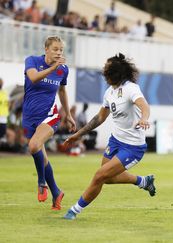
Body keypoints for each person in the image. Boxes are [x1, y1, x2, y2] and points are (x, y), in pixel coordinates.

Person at [63, 53, 156, 220]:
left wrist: (144, 118)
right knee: (108, 178)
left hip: (133, 147)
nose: (104, 75)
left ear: (114, 74)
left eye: (106, 71)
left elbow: (144, 106)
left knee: (100, 175)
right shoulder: (109, 92)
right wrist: (78, 135)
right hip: (115, 141)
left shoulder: (131, 89)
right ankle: (143, 181)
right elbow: (99, 118)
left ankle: (74, 210)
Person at [22, 36, 76, 210]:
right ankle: (56, 192)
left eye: (61, 50)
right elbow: (34, 78)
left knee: (33, 146)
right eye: (55, 49)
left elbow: (61, 90)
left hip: (49, 116)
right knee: (41, 155)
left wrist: (67, 114)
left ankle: (41, 183)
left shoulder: (63, 70)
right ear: (46, 49)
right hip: (29, 117)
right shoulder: (32, 61)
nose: (59, 52)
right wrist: (53, 67)